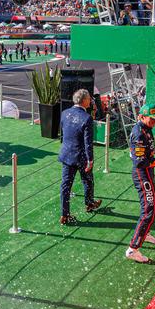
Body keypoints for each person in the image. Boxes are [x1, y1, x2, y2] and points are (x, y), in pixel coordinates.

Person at [127, 104, 155, 263]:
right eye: (151, 119)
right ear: (142, 117)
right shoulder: (139, 134)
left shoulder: (147, 129)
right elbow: (141, 162)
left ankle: (144, 234)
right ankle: (133, 249)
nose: (154, 122)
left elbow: (150, 151)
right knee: (148, 210)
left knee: (149, 207)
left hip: (147, 173)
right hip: (142, 174)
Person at [58, 89, 101, 225]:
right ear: (84, 101)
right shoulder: (87, 118)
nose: (91, 100)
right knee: (87, 180)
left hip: (66, 155)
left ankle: (64, 215)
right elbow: (88, 142)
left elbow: (63, 133)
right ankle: (89, 203)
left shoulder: (64, 113)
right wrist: (90, 160)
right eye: (89, 98)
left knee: (65, 186)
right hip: (81, 157)